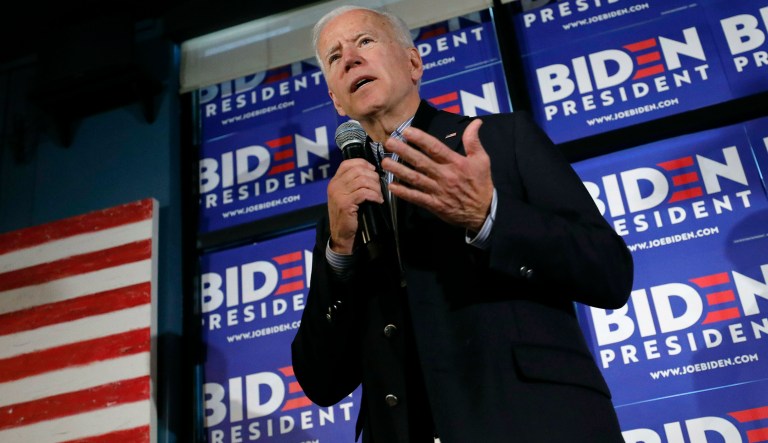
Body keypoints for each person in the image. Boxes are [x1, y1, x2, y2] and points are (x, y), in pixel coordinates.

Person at [291, 5, 634, 443]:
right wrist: (339, 253)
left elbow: (610, 272)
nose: (350, 59)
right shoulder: (344, 208)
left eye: (365, 42)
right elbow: (322, 381)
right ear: (337, 100)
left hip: (533, 425)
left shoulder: (500, 141)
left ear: (413, 63)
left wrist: (488, 216)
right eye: (334, 57)